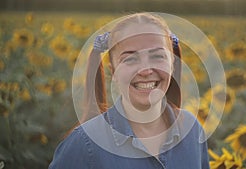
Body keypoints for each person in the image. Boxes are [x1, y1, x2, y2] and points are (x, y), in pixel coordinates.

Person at [49, 12, 210, 169]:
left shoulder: (192, 129)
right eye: (130, 59)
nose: (145, 70)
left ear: (172, 64)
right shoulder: (83, 145)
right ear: (114, 72)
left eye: (157, 56)